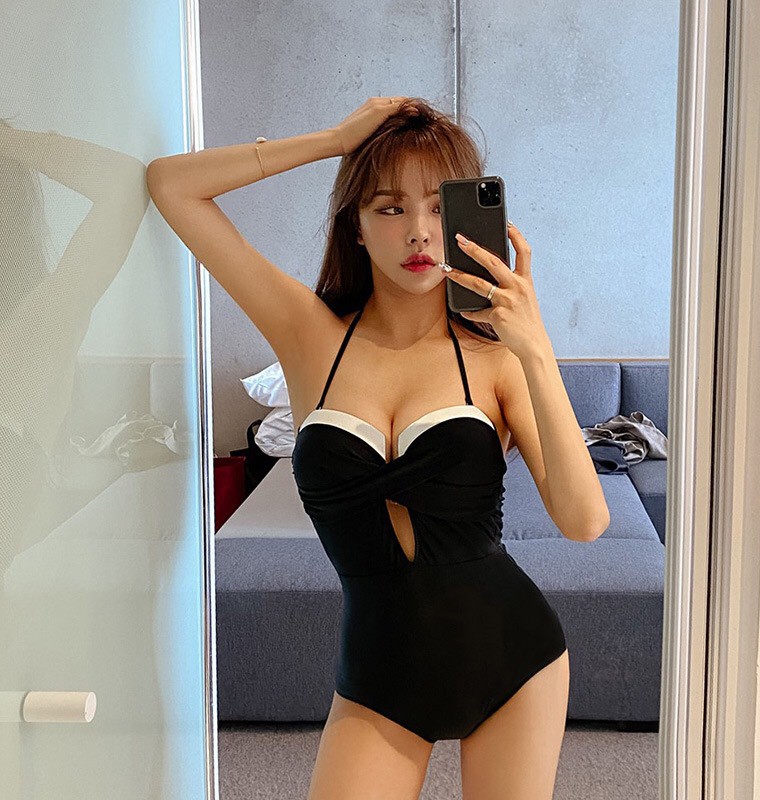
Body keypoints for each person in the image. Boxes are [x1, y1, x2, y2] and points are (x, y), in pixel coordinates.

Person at [147, 96, 609, 800]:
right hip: (379, 675)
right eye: (390, 207)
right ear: (355, 227)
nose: (418, 231)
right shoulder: (308, 334)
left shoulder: (496, 360)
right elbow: (172, 185)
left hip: (512, 658)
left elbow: (584, 521)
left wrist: (536, 349)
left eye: (438, 207)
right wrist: (336, 140)